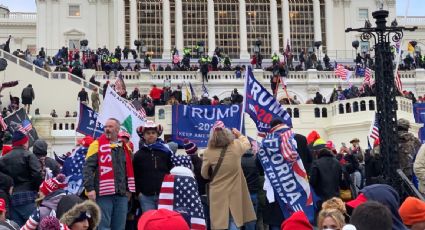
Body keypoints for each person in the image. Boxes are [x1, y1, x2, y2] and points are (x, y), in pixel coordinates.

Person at [201, 121, 256, 229]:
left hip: (217, 193)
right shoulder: (236, 146)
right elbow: (247, 144)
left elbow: (204, 175)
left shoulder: (208, 152)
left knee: (220, 224)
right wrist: (239, 134)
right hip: (235, 191)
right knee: (234, 221)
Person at [83, 118, 135, 230]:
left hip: (121, 195)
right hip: (103, 195)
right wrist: (90, 189)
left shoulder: (126, 148)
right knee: (103, 227)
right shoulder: (96, 145)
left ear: (117, 130)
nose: (107, 129)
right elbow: (88, 169)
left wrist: (129, 189)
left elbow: (129, 170)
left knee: (119, 227)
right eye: (105, 127)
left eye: (110, 127)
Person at [0, 131, 42, 226]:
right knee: (34, 225)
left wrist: (8, 188)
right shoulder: (29, 155)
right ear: (24, 143)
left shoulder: (3, 159)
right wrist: (36, 189)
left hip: (12, 197)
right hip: (29, 196)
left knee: (17, 227)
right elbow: (37, 174)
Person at [133, 121, 172, 213]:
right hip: (145, 196)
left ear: (157, 134)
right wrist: (138, 193)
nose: (151, 135)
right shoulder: (138, 155)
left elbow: (171, 171)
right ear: (144, 135)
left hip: (164, 194)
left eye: (153, 133)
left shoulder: (166, 152)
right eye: (148, 133)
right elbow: (135, 174)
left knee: (163, 221)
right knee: (149, 222)